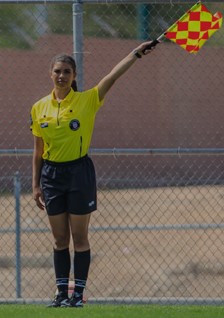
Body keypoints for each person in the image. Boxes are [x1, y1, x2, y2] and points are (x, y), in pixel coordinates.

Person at [30, 41, 156, 308]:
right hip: (51, 176)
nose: (61, 75)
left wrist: (135, 54)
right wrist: (36, 184)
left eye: (67, 71)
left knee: (80, 238)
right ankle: (61, 293)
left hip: (79, 173)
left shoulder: (88, 99)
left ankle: (77, 296)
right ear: (50, 74)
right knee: (59, 239)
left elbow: (112, 76)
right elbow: (38, 150)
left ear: (74, 76)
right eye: (57, 71)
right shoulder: (39, 107)